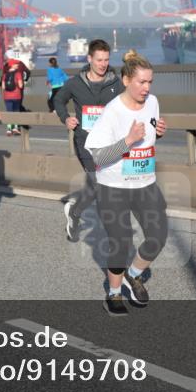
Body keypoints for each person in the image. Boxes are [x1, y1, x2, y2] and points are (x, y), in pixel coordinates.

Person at [85, 50, 167, 316]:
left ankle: (133, 275)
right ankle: (114, 291)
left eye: (149, 82)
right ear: (125, 80)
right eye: (141, 82)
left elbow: (150, 135)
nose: (146, 88)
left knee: (157, 237)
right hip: (114, 187)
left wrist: (159, 132)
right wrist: (128, 141)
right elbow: (97, 157)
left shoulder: (153, 102)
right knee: (120, 242)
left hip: (145, 183)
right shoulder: (113, 112)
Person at [52, 39, 121, 241]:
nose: (103, 64)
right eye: (99, 60)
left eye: (106, 60)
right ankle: (79, 215)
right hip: (85, 142)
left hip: (110, 144)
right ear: (89, 58)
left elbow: (130, 104)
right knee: (98, 184)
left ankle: (75, 211)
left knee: (104, 187)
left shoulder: (116, 83)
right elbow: (58, 100)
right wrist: (66, 117)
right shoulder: (75, 83)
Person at [1, 56, 30, 135]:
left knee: (9, 112)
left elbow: (3, 87)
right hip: (16, 96)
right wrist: (23, 82)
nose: (17, 65)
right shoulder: (18, 74)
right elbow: (20, 86)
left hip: (7, 96)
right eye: (16, 64)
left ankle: (9, 129)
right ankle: (16, 128)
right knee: (16, 111)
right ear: (12, 65)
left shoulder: (4, 75)